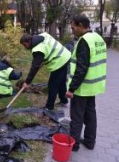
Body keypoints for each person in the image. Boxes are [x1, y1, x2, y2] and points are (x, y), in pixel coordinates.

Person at [66, 15, 107, 151]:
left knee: (77, 116)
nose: (73, 30)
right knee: (90, 114)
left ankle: (74, 145)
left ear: (81, 25)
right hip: (94, 86)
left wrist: (71, 89)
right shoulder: (98, 38)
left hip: (82, 87)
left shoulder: (84, 41)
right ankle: (90, 142)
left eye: (73, 27)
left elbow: (81, 68)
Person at [20, 33, 71, 110]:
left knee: (52, 85)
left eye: (25, 45)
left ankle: (49, 107)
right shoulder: (42, 35)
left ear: (29, 41)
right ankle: (64, 101)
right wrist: (40, 63)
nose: (24, 47)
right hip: (65, 55)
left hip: (59, 61)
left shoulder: (38, 49)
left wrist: (27, 82)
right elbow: (47, 50)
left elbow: (35, 67)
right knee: (61, 82)